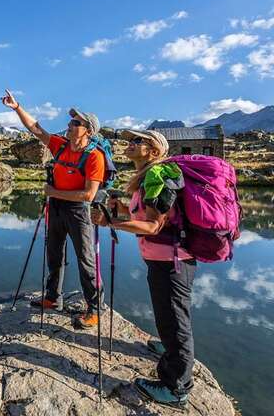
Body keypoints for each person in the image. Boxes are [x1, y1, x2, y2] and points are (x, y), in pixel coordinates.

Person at [91, 129, 194, 409]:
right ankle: (170, 347)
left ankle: (177, 388)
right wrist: (120, 209)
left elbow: (153, 226)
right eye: (130, 140)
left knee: (174, 318)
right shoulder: (146, 178)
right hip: (166, 257)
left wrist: (109, 223)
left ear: (153, 150)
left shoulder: (155, 176)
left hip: (171, 260)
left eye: (138, 141)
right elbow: (143, 217)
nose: (130, 144)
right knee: (170, 314)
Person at [1, 89, 105, 328]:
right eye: (69, 121)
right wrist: (17, 107)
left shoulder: (94, 157)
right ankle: (52, 298)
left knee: (85, 260)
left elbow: (89, 194)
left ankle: (94, 309)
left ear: (87, 130)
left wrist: (52, 192)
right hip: (56, 209)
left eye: (75, 123)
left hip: (79, 211)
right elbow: (36, 129)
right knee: (54, 255)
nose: (69, 125)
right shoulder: (59, 146)